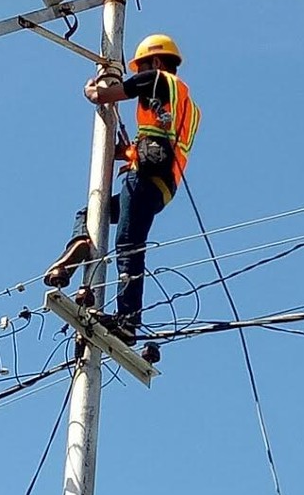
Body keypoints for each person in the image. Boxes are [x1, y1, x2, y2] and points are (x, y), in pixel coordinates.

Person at [44, 34, 201, 344]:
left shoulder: (156, 78)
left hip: (141, 177)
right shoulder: (187, 105)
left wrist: (93, 89)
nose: (139, 71)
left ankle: (127, 320)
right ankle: (82, 244)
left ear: (155, 62)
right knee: (91, 214)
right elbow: (161, 139)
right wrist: (125, 151)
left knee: (128, 245)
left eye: (141, 65)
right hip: (163, 186)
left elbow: (106, 95)